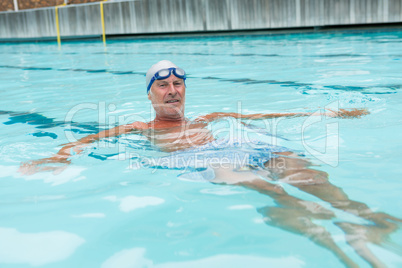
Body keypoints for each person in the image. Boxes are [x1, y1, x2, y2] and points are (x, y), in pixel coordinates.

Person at [20, 60, 400, 267]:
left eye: (178, 84)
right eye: (162, 85)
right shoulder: (138, 127)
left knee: (302, 170)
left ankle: (361, 219)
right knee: (261, 184)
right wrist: (55, 159)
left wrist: (329, 114)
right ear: (150, 94)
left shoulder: (209, 118)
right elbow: (88, 140)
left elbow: (274, 113)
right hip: (200, 159)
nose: (172, 90)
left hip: (237, 144)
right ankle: (330, 238)